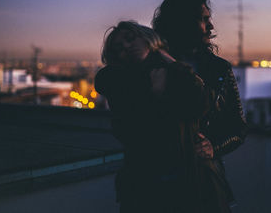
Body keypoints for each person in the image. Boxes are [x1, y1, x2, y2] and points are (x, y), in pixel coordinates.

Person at [95, 21, 229, 212]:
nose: (126, 46)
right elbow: (130, 131)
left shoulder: (173, 73)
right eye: (119, 48)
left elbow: (202, 103)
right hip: (145, 185)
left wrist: (169, 62)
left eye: (130, 39)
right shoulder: (115, 79)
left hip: (189, 182)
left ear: (147, 37)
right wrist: (155, 93)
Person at [152, 0, 248, 208]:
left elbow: (238, 127)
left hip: (204, 182)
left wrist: (213, 146)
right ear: (182, 23)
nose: (211, 26)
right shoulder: (152, 65)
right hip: (155, 182)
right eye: (203, 19)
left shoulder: (218, 69)